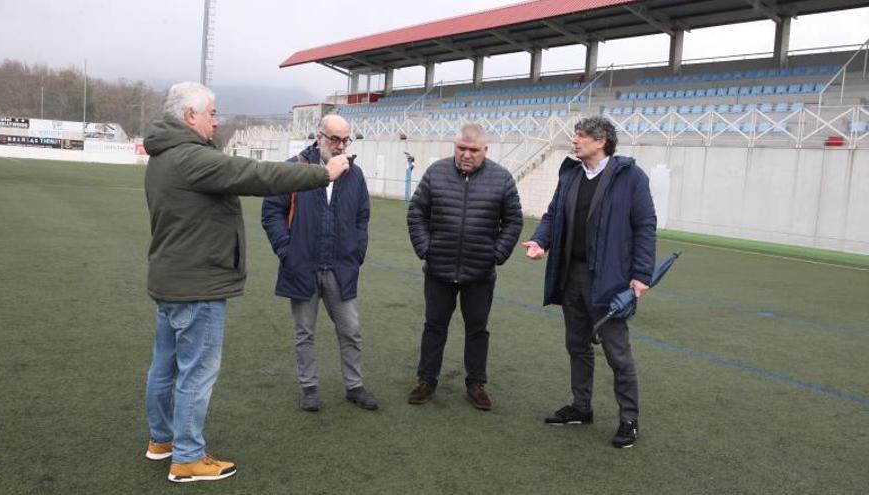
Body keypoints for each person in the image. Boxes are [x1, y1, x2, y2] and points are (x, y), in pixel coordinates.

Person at [143, 82, 350, 483]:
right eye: (211, 113)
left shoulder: (165, 155)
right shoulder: (189, 157)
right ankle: (187, 457)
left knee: (165, 366)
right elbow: (255, 174)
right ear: (189, 116)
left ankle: (162, 440)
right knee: (195, 372)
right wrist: (321, 173)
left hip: (173, 278)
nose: (216, 120)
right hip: (197, 283)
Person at [522, 116, 656, 448]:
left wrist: (641, 274)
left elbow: (645, 225)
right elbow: (554, 214)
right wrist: (541, 241)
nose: (575, 140)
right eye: (576, 135)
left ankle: (629, 419)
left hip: (610, 280)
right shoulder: (570, 174)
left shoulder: (630, 177)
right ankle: (581, 407)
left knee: (617, 354)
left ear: (602, 141)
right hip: (572, 275)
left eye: (581, 136)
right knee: (577, 345)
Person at [261, 114, 377, 412]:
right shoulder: (294, 168)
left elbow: (363, 217)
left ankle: (354, 386)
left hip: (341, 268)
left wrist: (356, 251)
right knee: (305, 334)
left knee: (350, 330)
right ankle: (309, 388)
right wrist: (287, 251)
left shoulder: (355, 174)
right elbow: (272, 213)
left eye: (345, 139)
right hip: (302, 267)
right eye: (334, 138)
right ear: (319, 137)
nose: (340, 146)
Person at [406, 123, 523, 411]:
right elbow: (416, 213)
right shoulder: (436, 173)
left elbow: (513, 221)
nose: (466, 155)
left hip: (480, 273)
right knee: (434, 326)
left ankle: (476, 384)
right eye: (461, 148)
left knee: (477, 329)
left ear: (486, 150)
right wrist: (426, 249)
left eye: (473, 150)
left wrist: (496, 254)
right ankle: (426, 381)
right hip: (439, 269)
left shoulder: (502, 178)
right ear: (454, 147)